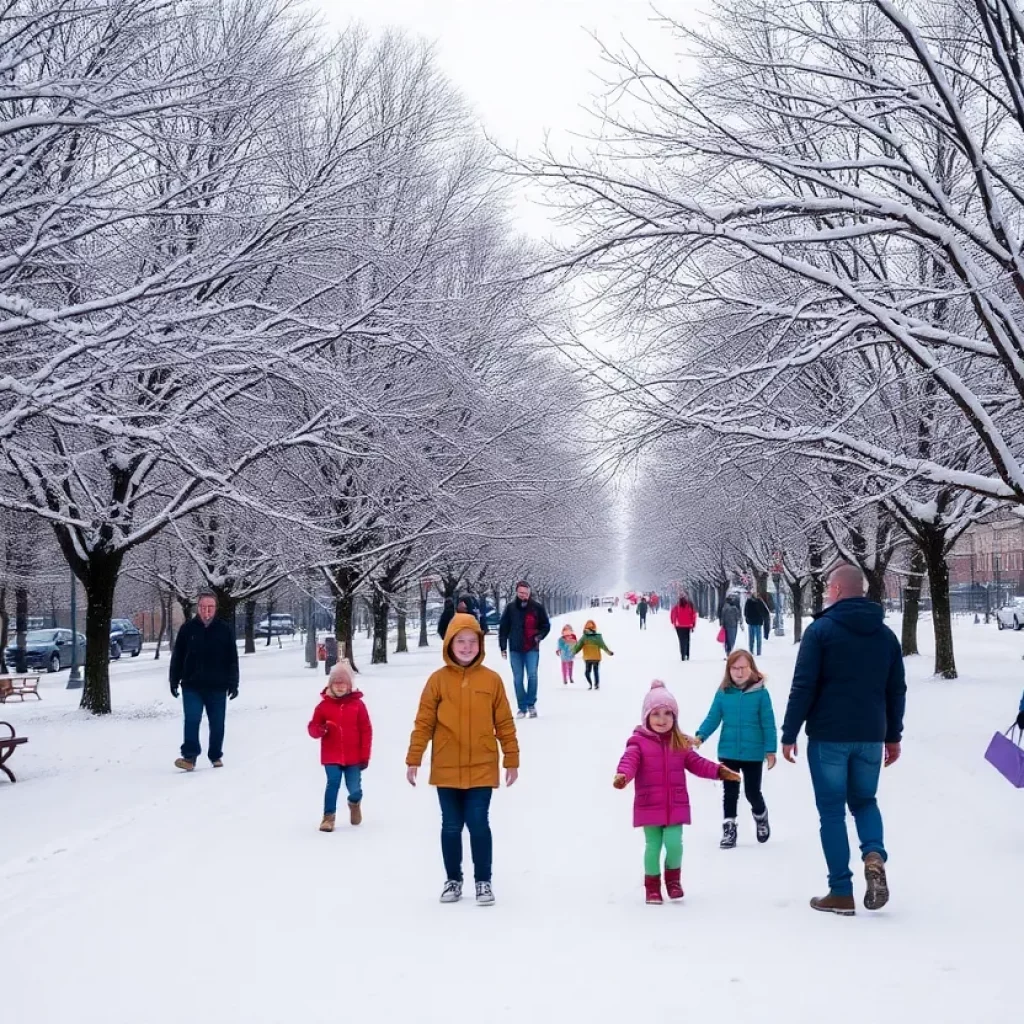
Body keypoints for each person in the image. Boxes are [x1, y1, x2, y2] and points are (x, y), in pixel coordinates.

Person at [781, 563, 906, 916]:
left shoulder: (820, 631)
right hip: (870, 735)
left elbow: (804, 685)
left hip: (829, 736)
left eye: (826, 589)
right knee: (865, 801)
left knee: (832, 811)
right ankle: (874, 854)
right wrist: (892, 735)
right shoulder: (885, 636)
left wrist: (789, 732)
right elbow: (896, 689)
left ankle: (840, 891)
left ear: (835, 590)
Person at [406, 613, 519, 906]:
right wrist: (414, 758)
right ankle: (453, 880)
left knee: (479, 823)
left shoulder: (491, 680)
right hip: (446, 766)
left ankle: (483, 881)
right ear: (450, 644)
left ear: (480, 645)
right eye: (461, 642)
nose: (467, 647)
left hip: (482, 765)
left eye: (472, 642)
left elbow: (505, 723)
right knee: (451, 826)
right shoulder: (437, 681)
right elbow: (424, 723)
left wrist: (511, 759)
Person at [614, 680, 740, 904]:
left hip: (675, 804)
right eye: (656, 714)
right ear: (646, 717)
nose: (662, 720)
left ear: (675, 717)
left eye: (667, 714)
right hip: (649, 803)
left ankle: (673, 881)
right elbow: (629, 761)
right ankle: (652, 887)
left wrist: (720, 771)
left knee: (674, 843)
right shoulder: (638, 742)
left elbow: (698, 763)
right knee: (653, 846)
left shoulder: (680, 743)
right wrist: (623, 776)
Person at [694, 651, 777, 849]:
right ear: (728, 670)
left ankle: (761, 815)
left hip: (753, 752)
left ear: (752, 669)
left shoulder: (761, 694)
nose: (739, 673)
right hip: (728, 751)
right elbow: (713, 717)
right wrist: (700, 736)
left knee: (752, 792)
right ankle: (729, 829)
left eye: (743, 668)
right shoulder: (723, 693)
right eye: (734, 668)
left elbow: (768, 724)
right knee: (730, 792)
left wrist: (770, 750)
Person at [169, 592, 239, 772]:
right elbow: (177, 656)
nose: (206, 611)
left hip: (217, 686)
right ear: (197, 608)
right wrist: (174, 679)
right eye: (202, 607)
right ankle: (189, 757)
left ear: (215, 609)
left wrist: (233, 683)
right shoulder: (187, 629)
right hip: (192, 685)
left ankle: (215, 755)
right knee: (192, 719)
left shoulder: (224, 629)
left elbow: (232, 658)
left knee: (217, 723)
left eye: (210, 607)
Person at [307, 661, 372, 832]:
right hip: (331, 755)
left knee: (354, 787)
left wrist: (365, 756)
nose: (340, 687)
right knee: (333, 782)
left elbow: (366, 730)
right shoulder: (323, 707)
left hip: (354, 757)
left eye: (344, 684)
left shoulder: (358, 706)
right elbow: (312, 728)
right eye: (336, 683)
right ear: (330, 685)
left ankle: (354, 802)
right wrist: (321, 729)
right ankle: (328, 818)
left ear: (350, 686)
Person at [498, 580, 551, 719]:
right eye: (521, 593)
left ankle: (531, 704)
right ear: (517, 592)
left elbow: (546, 625)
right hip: (515, 648)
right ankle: (522, 707)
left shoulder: (537, 608)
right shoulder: (510, 608)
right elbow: (503, 628)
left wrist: (539, 636)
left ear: (529, 593)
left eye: (526, 593)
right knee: (518, 678)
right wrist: (503, 646)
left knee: (532, 675)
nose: (523, 595)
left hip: (532, 647)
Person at [573, 619, 614, 689]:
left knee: (587, 672)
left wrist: (572, 653)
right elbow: (603, 646)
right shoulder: (598, 637)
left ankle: (590, 684)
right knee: (596, 671)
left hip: (588, 658)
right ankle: (596, 684)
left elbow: (578, 646)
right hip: (596, 658)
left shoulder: (584, 637)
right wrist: (609, 652)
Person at [670, 594, 698, 661]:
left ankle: (682, 654)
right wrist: (693, 624)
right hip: (688, 625)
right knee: (687, 640)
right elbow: (693, 616)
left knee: (681, 640)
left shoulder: (677, 606)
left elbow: (673, 614)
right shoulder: (690, 606)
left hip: (679, 626)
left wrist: (673, 622)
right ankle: (687, 654)